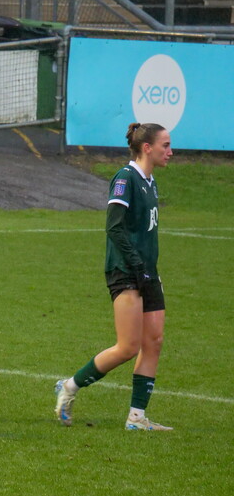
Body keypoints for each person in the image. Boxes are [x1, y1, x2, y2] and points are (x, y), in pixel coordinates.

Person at [54, 122, 173, 431]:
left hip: (148, 272)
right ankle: (69, 386)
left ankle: (136, 418)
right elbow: (114, 228)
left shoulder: (150, 181)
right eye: (165, 146)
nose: (170, 152)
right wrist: (137, 266)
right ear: (147, 147)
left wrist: (149, 270)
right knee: (128, 346)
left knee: (155, 341)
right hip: (126, 272)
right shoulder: (125, 178)